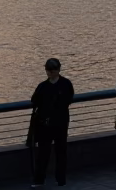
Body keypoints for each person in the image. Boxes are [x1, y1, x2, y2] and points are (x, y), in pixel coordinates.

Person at [30, 58, 74, 188]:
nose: (50, 73)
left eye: (52, 70)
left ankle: (60, 179)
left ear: (58, 70)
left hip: (58, 124)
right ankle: (41, 179)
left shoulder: (58, 85)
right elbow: (35, 100)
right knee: (44, 152)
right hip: (47, 124)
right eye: (48, 70)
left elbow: (35, 100)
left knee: (60, 152)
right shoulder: (62, 84)